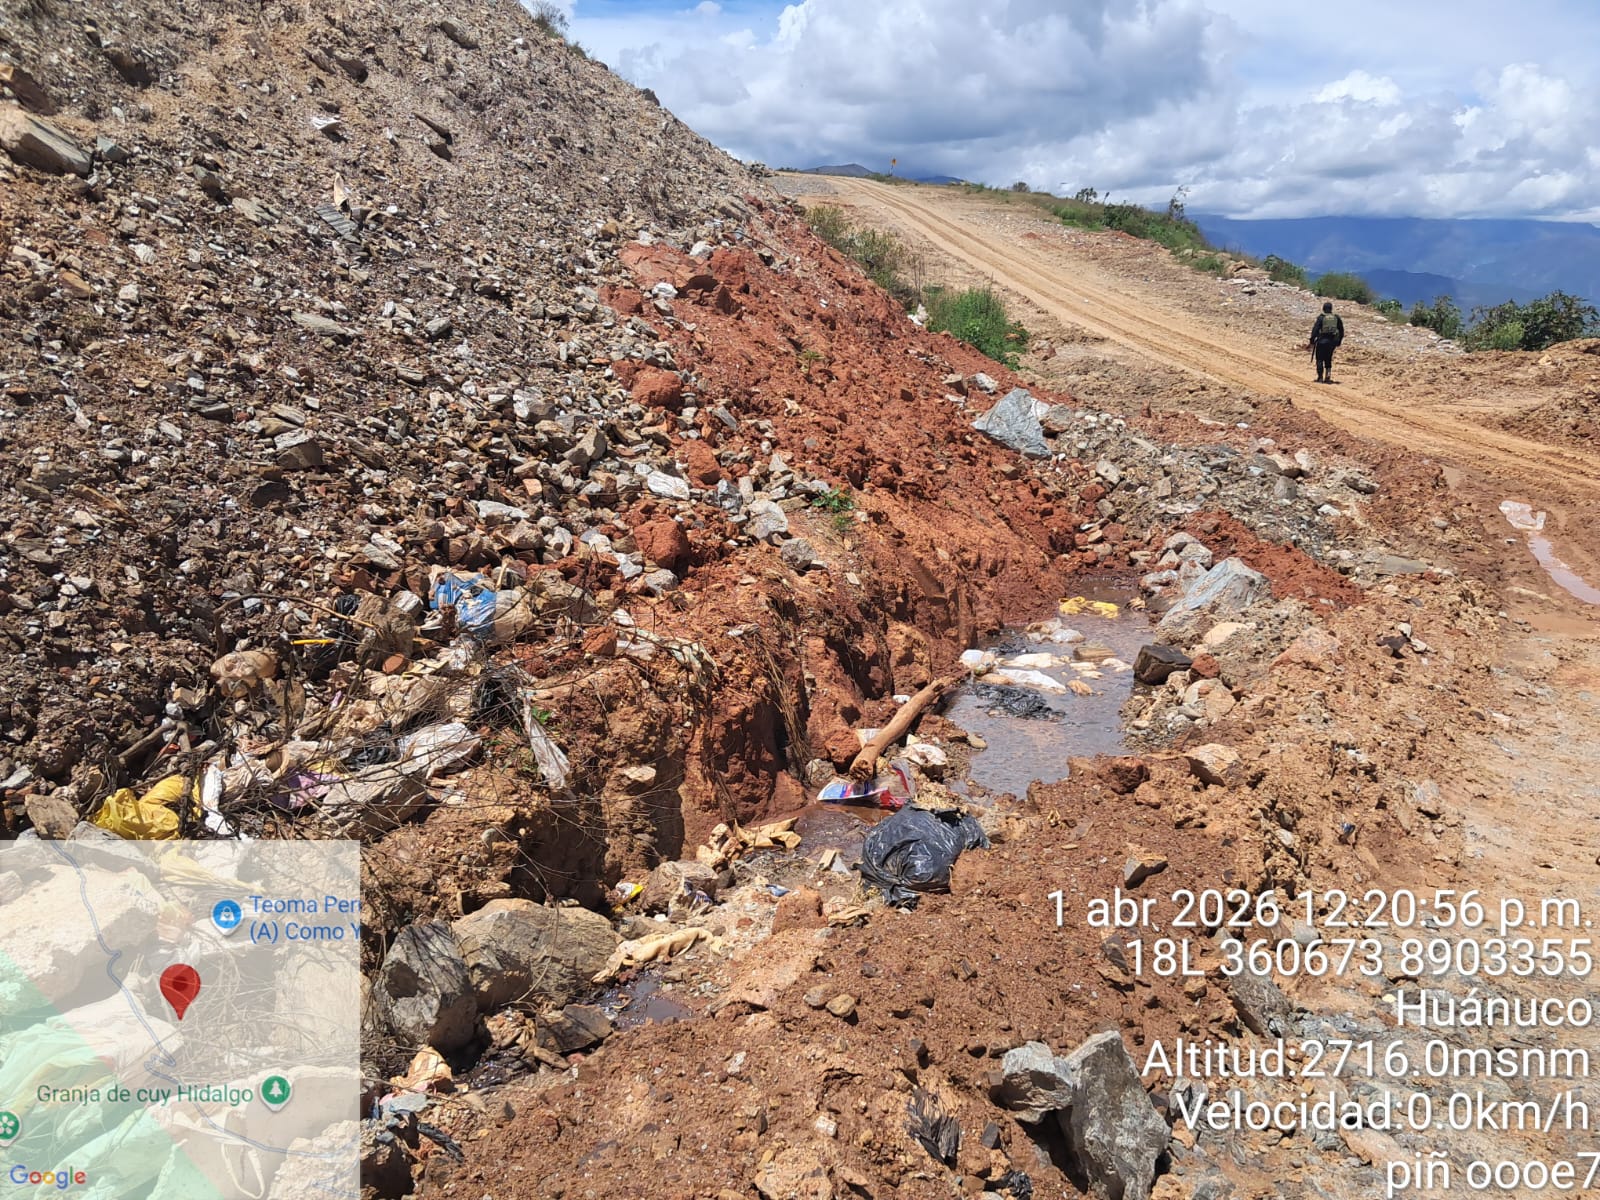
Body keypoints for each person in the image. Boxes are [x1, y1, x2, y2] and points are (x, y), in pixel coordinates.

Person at [1310, 301, 1344, 383]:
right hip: (1332, 342)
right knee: (1328, 358)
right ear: (1331, 309)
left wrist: (1312, 340)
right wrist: (1339, 341)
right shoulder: (1336, 317)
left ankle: (1320, 377)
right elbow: (1341, 330)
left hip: (1322, 341)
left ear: (1323, 309)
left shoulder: (1321, 317)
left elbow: (1315, 329)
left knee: (1319, 359)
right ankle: (1328, 376)